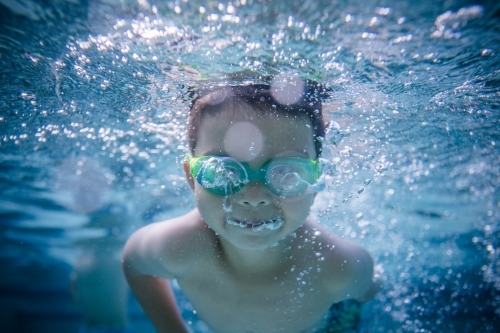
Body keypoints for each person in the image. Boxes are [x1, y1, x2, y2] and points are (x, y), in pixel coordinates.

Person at [122, 82, 380, 333]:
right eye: (224, 171)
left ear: (315, 183)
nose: (254, 197)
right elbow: (134, 264)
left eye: (288, 173)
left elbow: (368, 292)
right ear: (192, 178)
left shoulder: (337, 266)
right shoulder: (179, 247)